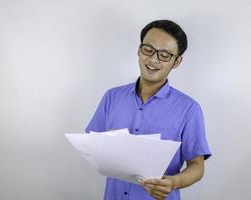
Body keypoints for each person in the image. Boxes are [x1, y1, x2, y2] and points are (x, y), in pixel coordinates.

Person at [85, 19, 212, 200]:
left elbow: (197, 165)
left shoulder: (189, 109)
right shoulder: (112, 97)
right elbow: (92, 143)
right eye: (148, 49)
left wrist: (174, 182)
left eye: (165, 55)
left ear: (176, 62)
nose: (153, 59)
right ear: (139, 49)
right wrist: (106, 143)